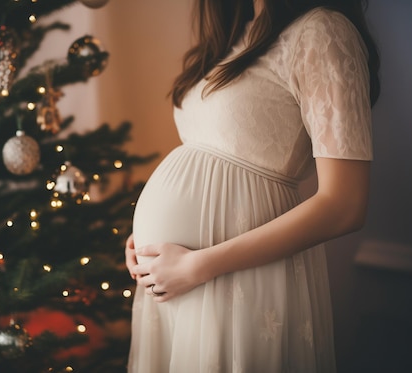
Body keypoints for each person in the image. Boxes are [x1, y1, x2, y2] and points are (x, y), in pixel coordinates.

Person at [124, 0, 380, 372]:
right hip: (175, 281)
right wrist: (144, 244)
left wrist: (198, 265)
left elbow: (345, 204)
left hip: (234, 279)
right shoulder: (232, 39)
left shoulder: (322, 32)